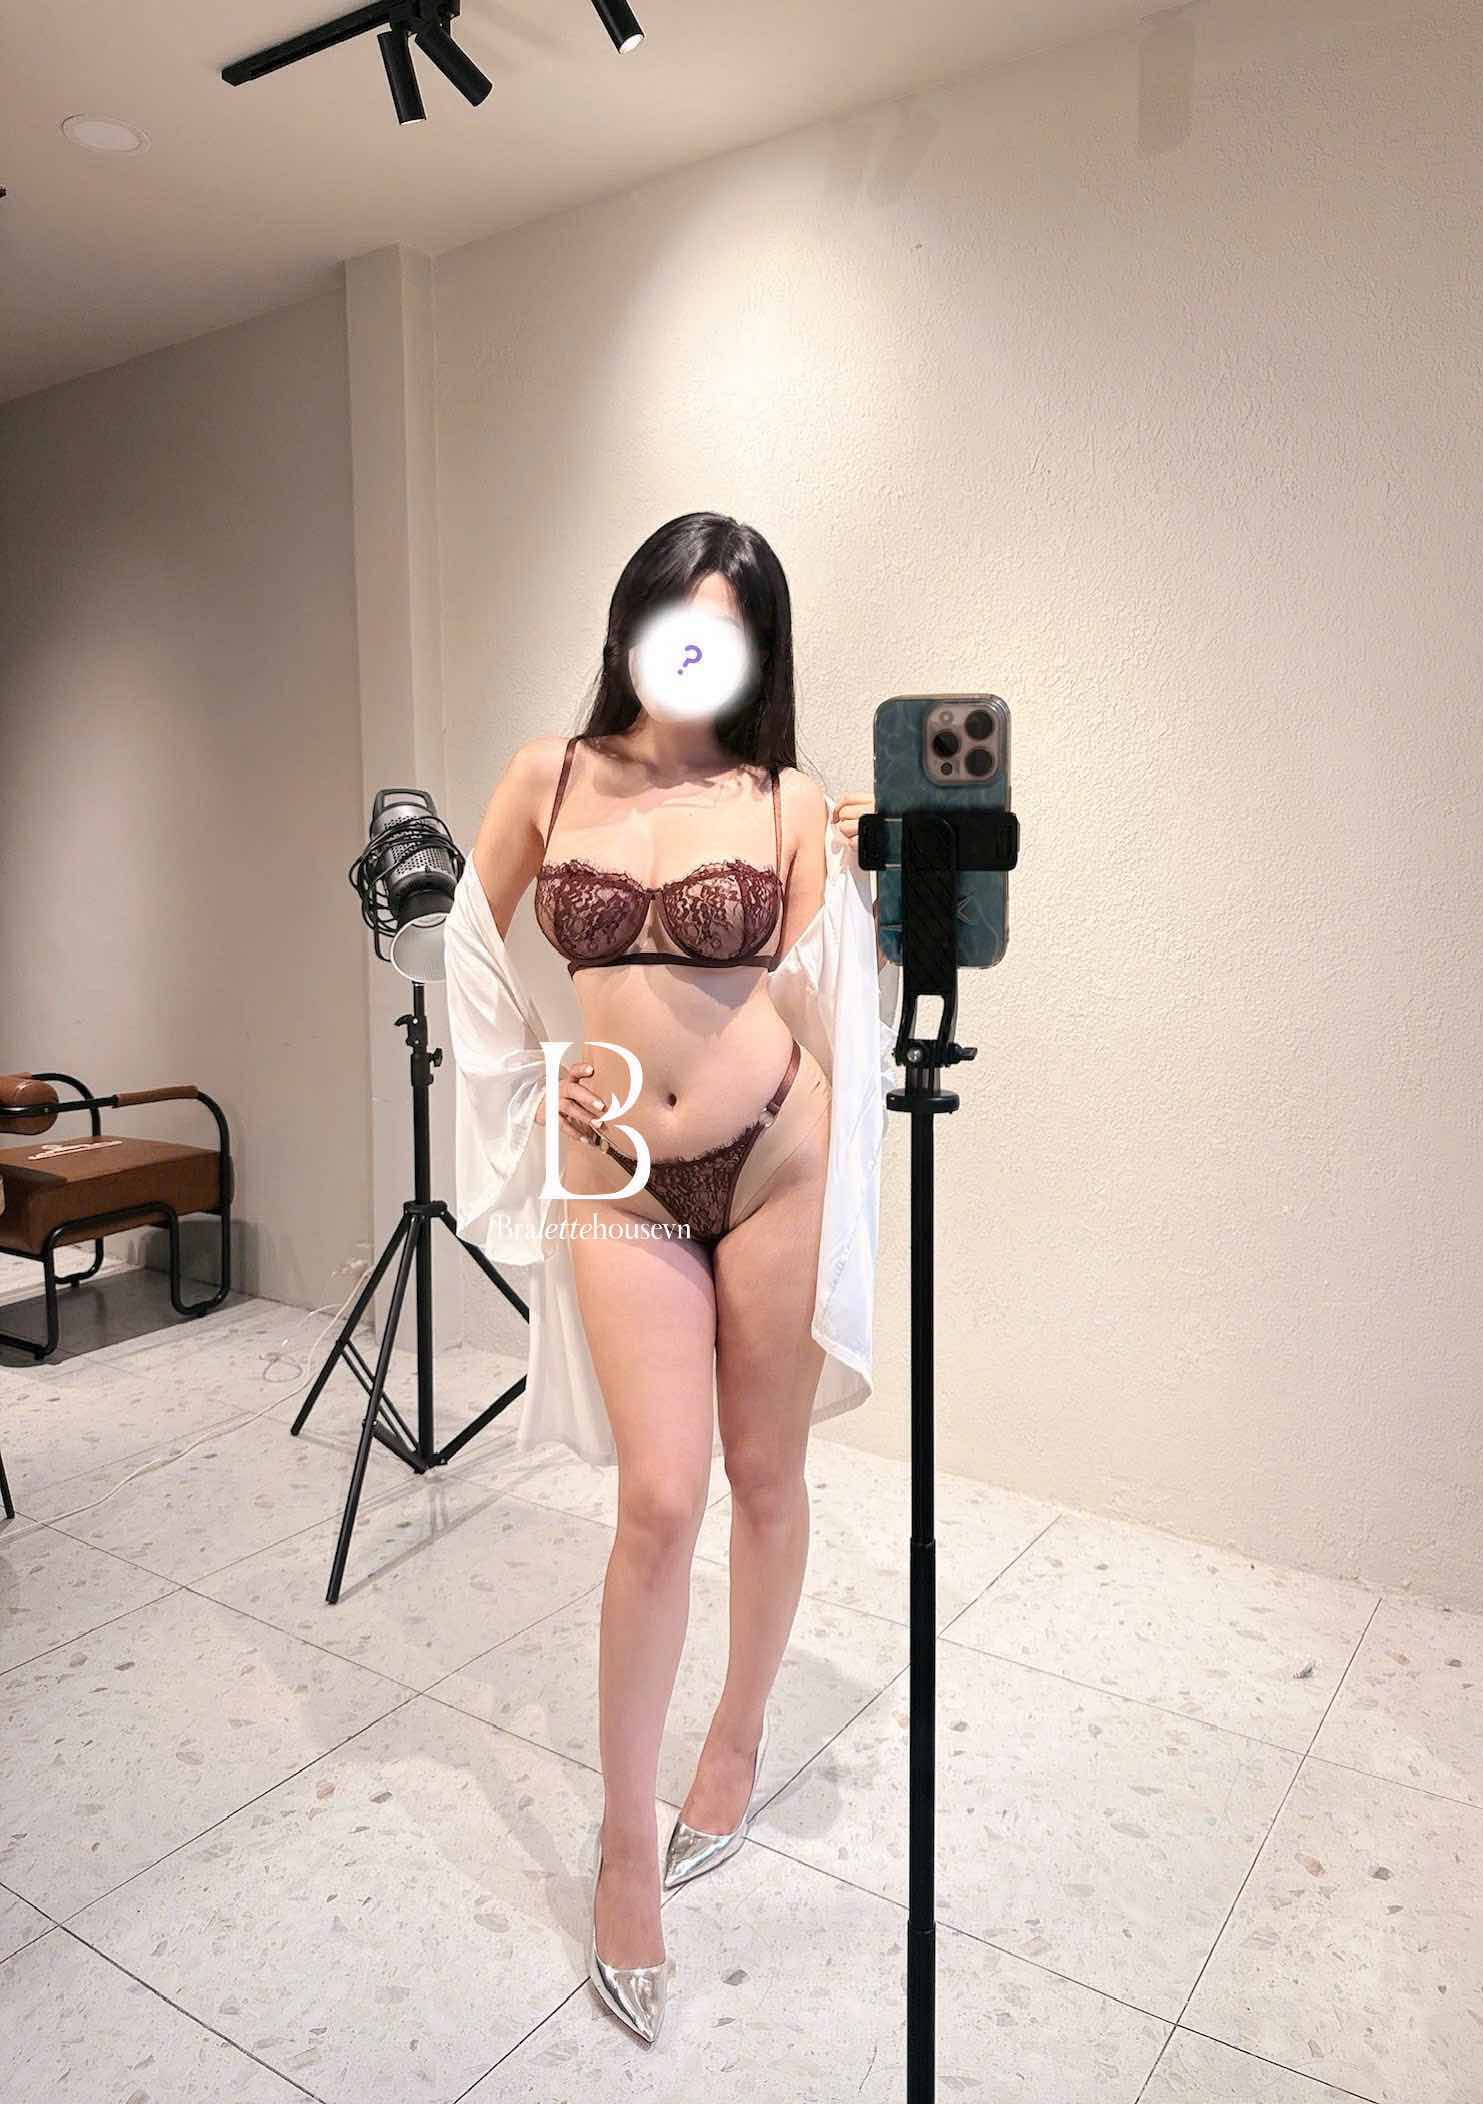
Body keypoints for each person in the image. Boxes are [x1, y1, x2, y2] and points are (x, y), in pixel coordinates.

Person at [442, 512, 897, 2046]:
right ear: (631, 623)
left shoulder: (785, 799)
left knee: (764, 1479)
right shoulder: (546, 777)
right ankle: (624, 1843)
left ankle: (738, 1739)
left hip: (774, 1157)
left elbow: (832, 994)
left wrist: (866, 876)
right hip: (617, 1170)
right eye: (673, 621)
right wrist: (533, 1078)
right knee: (659, 1500)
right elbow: (462, 946)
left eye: (728, 634)